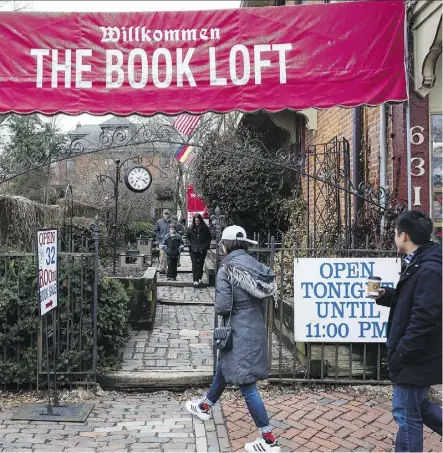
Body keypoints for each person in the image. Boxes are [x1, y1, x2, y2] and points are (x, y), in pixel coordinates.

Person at [186, 225, 280, 453]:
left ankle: (269, 439)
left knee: (247, 385)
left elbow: (222, 306)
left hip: (237, 328)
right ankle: (205, 406)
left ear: (227, 244)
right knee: (225, 366)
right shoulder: (256, 265)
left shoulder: (227, 269)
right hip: (255, 324)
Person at [370, 210, 442, 452]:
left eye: (394, 233)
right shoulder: (418, 262)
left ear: (403, 236)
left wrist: (402, 353)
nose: (393, 237)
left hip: (416, 357)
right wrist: (387, 295)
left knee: (406, 414)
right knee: (417, 406)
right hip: (416, 355)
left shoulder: (429, 269)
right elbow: (414, 301)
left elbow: (424, 317)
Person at [186, 214, 212, 287]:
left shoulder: (205, 228)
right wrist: (189, 245)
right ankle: (195, 279)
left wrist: (205, 246)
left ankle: (199, 277)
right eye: (196, 220)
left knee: (200, 263)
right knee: (194, 263)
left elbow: (209, 238)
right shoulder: (191, 228)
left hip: (202, 249)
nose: (197, 222)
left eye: (198, 220)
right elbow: (187, 237)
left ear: (200, 220)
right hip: (193, 249)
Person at [155, 209, 171, 274]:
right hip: (161, 241)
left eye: (167, 213)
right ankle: (162, 268)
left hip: (170, 241)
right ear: (163, 214)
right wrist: (159, 236)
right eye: (165, 213)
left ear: (169, 214)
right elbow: (156, 230)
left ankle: (169, 268)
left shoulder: (172, 221)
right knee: (162, 254)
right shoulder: (159, 222)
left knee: (169, 255)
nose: (166, 215)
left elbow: (178, 229)